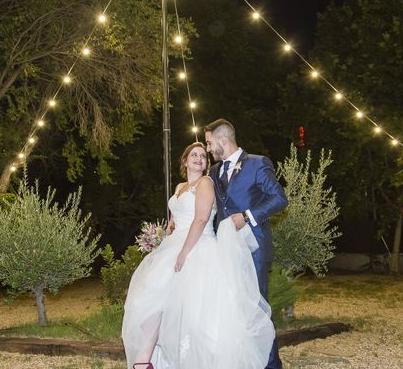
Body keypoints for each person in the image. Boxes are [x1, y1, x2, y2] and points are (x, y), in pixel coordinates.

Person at [122, 142, 276, 369]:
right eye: (193, 155)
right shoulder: (179, 187)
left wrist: (184, 253)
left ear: (206, 163)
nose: (199, 158)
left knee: (196, 315)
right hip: (174, 247)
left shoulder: (205, 183)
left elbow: (201, 219)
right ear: (184, 161)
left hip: (198, 248)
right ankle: (143, 363)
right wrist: (163, 237)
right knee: (153, 305)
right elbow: (175, 220)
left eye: (203, 156)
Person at [204, 119, 289, 369]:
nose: (208, 149)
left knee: (257, 306)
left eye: (209, 143)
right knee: (232, 305)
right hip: (225, 250)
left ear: (223, 140)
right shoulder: (214, 172)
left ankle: (272, 365)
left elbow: (279, 199)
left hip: (254, 247)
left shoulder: (257, 163)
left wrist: (247, 216)